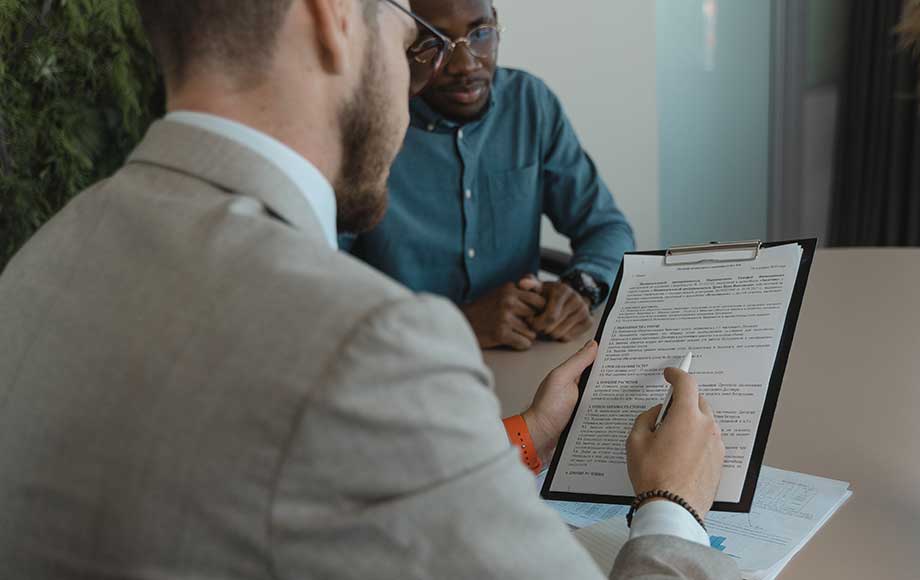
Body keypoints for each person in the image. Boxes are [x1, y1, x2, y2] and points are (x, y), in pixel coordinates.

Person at [0, 0, 737, 578]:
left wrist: (527, 433)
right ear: (334, 16)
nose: (427, 64)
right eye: (411, 30)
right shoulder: (363, 346)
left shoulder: (44, 258)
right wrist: (671, 507)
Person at [343, 0, 635, 351]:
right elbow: (323, 287)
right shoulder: (365, 126)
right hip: (406, 359)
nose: (465, 65)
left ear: (496, 24)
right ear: (402, 41)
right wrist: (458, 322)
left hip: (524, 352)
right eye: (435, 41)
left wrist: (580, 287)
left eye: (480, 34)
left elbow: (607, 228)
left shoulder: (530, 103)